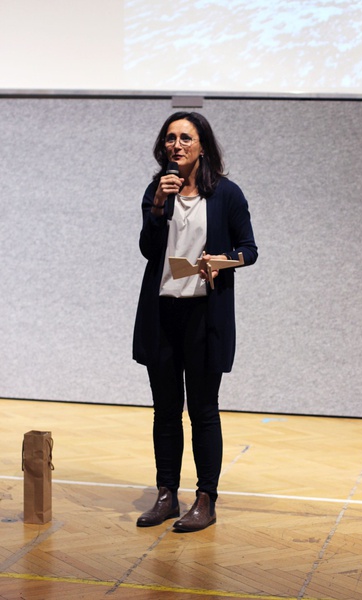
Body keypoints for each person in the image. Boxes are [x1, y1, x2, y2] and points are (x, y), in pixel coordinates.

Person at [133, 111, 258, 532]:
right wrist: (157, 205)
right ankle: (166, 494)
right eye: (170, 138)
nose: (177, 145)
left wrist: (221, 261)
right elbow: (149, 249)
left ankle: (206, 499)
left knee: (203, 410)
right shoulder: (158, 190)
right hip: (163, 312)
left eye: (186, 137)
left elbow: (249, 250)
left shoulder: (226, 194)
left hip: (204, 315)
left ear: (202, 145)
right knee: (165, 410)